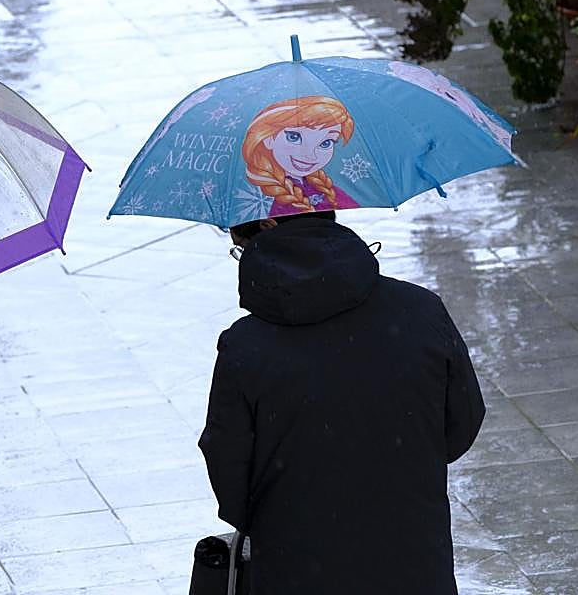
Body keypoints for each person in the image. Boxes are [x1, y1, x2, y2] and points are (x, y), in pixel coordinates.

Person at [198, 211, 484, 594]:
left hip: (296, 561)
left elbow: (227, 462)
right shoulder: (420, 310)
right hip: (412, 548)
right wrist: (396, 470)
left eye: (240, 246)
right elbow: (463, 420)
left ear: (267, 228)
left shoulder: (245, 346)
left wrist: (277, 514)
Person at [241, 96, 361, 216]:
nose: (310, 155)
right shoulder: (260, 199)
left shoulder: (321, 186)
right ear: (269, 138)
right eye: (293, 137)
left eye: (326, 143)